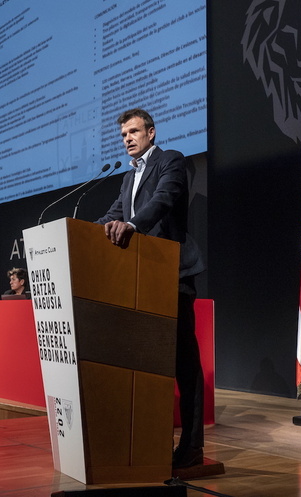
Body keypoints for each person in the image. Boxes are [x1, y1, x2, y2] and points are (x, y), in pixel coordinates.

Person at [96, 108, 205, 469]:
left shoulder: (170, 161)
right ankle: (152, 440)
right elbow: (113, 214)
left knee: (183, 365)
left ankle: (191, 447)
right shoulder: (128, 179)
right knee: (148, 365)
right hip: (140, 280)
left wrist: (131, 225)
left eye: (133, 131)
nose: (127, 138)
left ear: (151, 133)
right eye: (123, 133)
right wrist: (79, 231)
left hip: (170, 276)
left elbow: (164, 201)